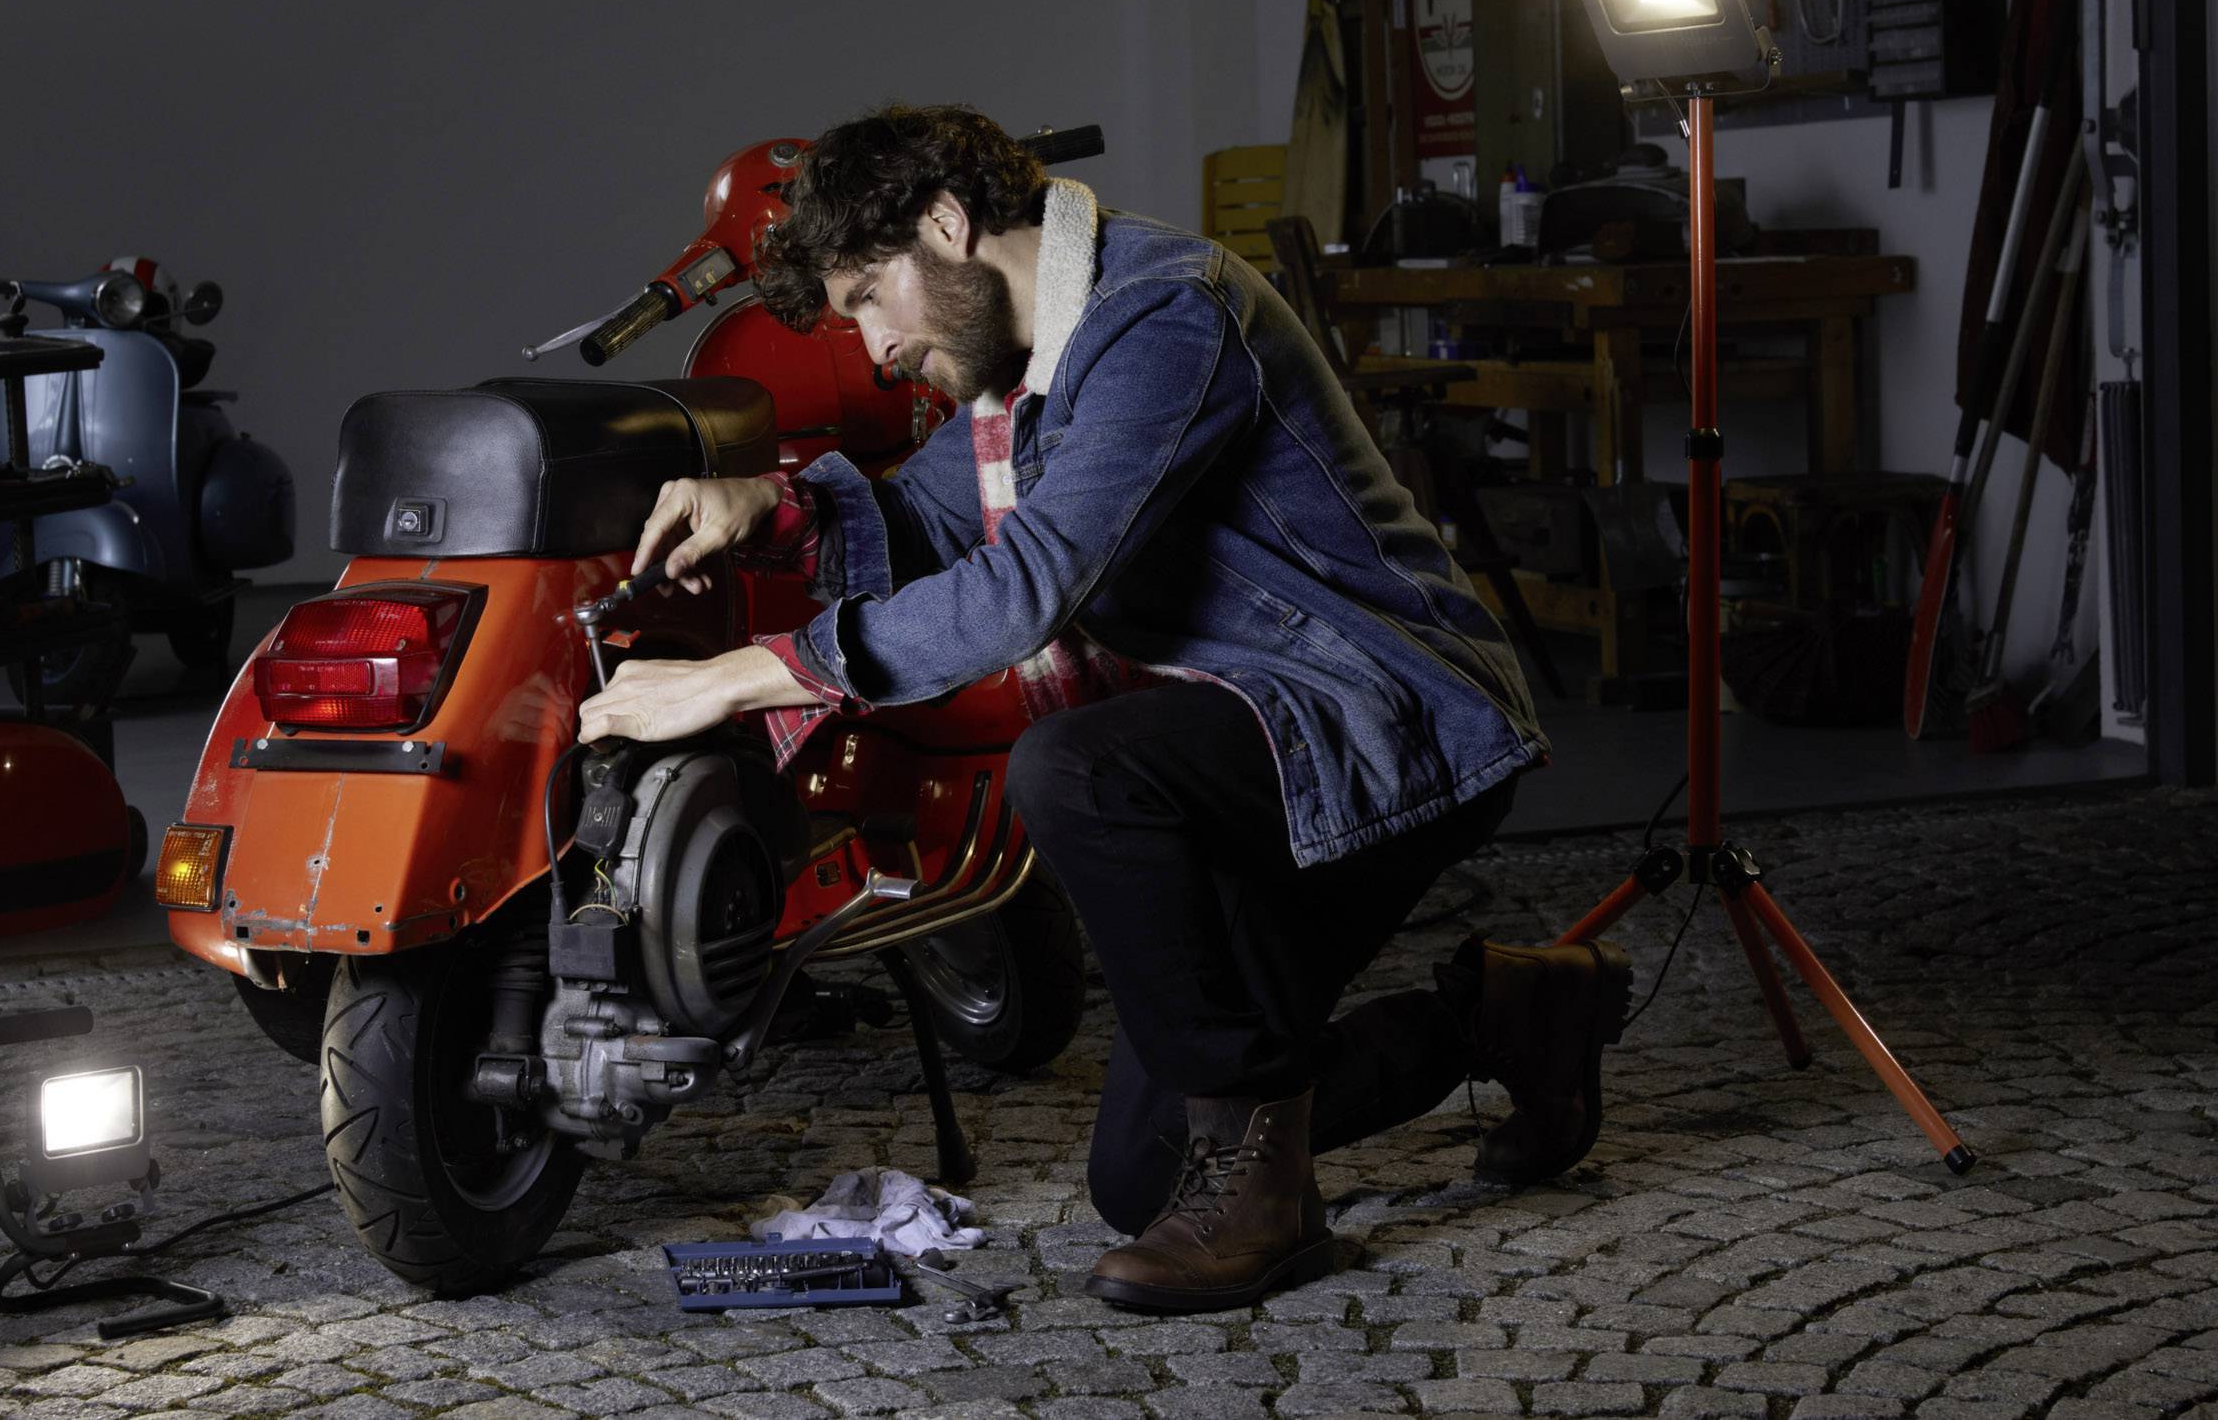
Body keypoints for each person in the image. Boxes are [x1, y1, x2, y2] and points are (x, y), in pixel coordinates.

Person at [576, 103, 1633, 1313]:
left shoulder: (1164, 314)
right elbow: (923, 520)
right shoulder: (1022, 370)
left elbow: (1027, 583)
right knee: (1141, 1177)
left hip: (1383, 717)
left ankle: (1266, 1205)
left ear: (946, 224)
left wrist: (741, 674)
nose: (871, 346)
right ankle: (1507, 1015)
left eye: (871, 295)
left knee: (1075, 768)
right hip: (1246, 744)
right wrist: (768, 505)